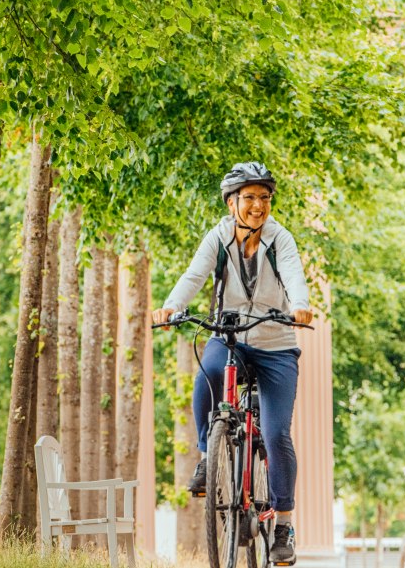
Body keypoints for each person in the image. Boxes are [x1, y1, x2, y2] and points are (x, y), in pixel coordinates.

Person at [152, 161, 312, 565]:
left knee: (276, 434)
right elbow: (194, 275)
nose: (258, 206)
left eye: (264, 198)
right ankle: (209, 455)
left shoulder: (280, 240)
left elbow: (294, 274)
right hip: (232, 337)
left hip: (276, 342)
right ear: (231, 203)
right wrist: (172, 307)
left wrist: (300, 306)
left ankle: (283, 525)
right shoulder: (219, 237)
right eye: (249, 198)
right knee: (207, 374)